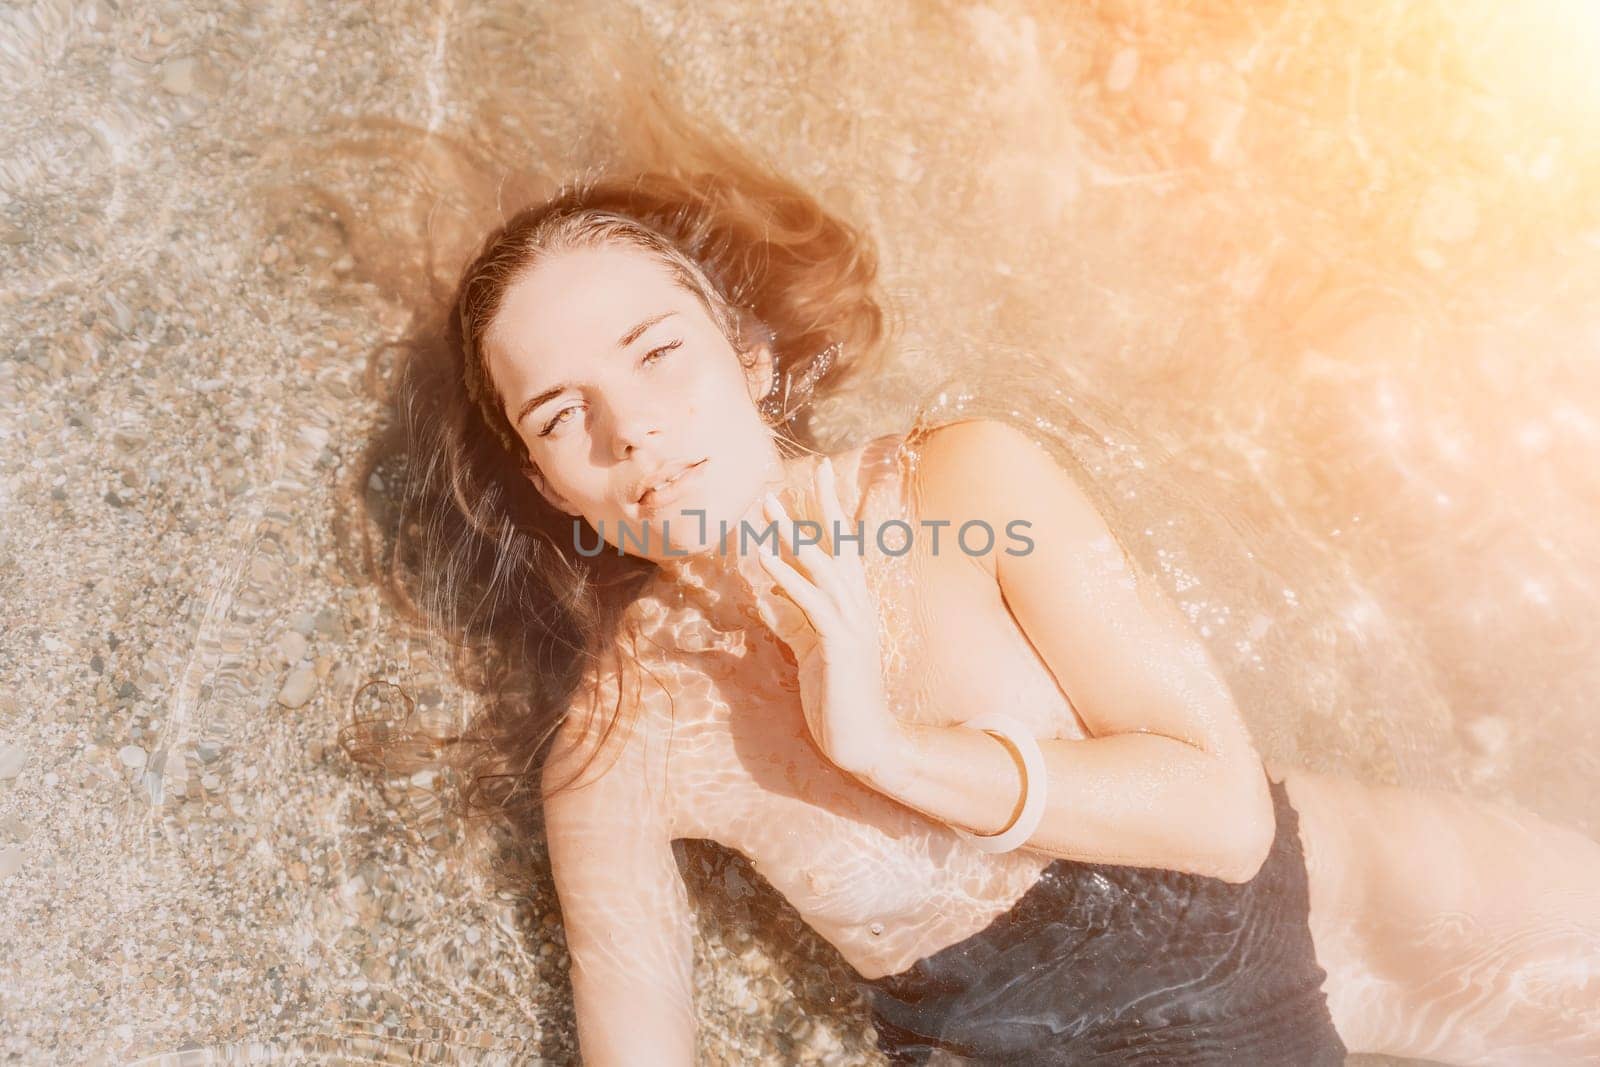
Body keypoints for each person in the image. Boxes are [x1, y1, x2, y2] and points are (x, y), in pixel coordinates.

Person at [347, 145, 1600, 1066]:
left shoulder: (962, 481)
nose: (633, 428)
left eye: (656, 350)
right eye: (561, 414)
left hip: (1311, 874)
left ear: (752, 356)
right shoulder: (622, 749)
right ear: (544, 478)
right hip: (1082, 1036)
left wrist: (884, 748)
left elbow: (1222, 819)